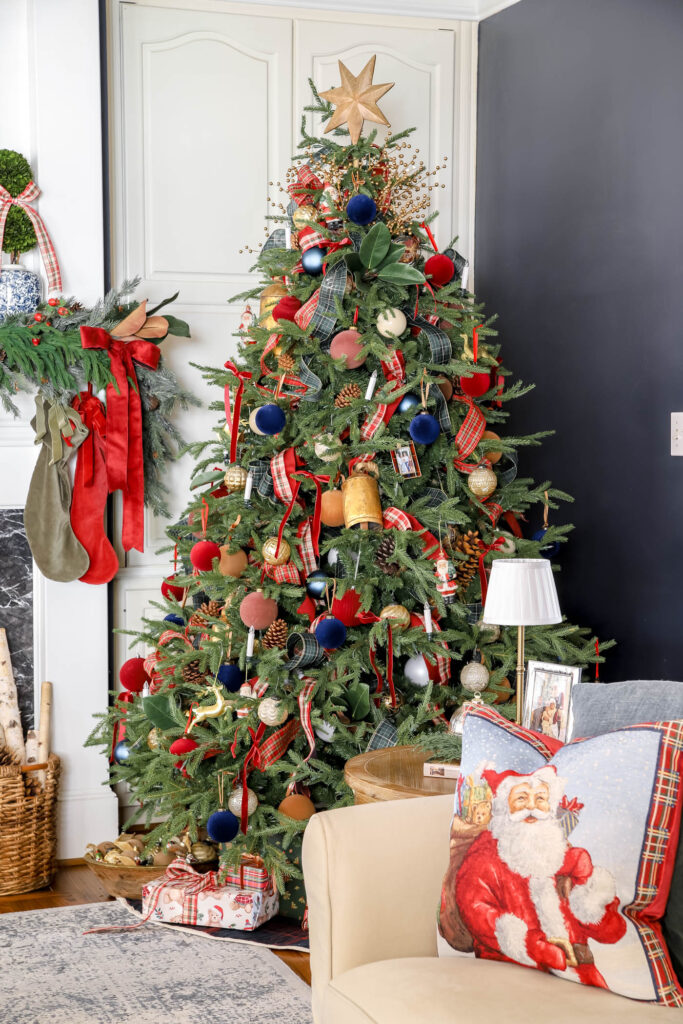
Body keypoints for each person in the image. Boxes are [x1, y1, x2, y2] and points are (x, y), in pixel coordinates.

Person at [442, 765, 626, 988]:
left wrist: (590, 890)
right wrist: (532, 945)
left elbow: (612, 932)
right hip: (510, 972)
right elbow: (476, 909)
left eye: (540, 798)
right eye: (521, 798)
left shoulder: (558, 852)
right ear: (503, 806)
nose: (531, 806)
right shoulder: (486, 855)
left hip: (582, 977)